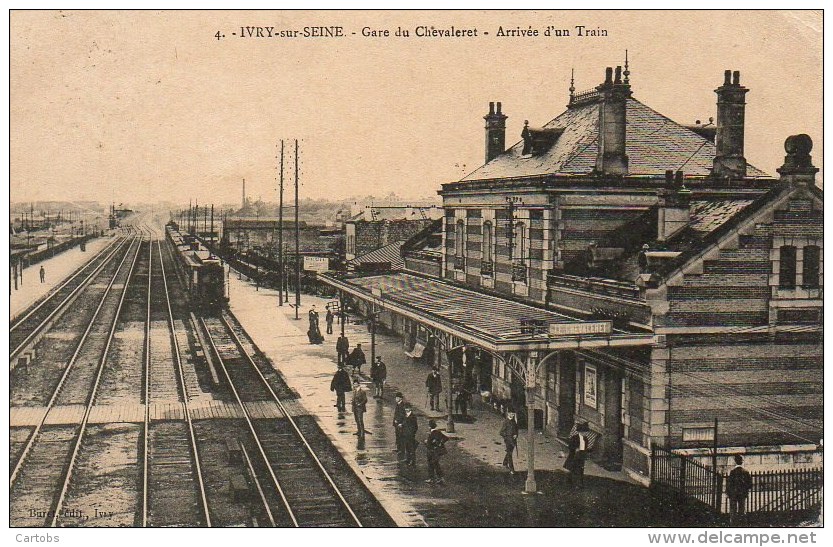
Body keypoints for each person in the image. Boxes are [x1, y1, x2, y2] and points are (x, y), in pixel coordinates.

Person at [726, 455, 753, 525]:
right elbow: (750, 484)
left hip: (733, 494)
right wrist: (745, 489)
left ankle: (733, 524)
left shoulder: (732, 472)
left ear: (735, 461)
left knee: (733, 510)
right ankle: (742, 524)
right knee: (742, 509)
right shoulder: (746, 472)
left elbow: (729, 483)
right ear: (742, 461)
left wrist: (728, 493)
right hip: (742, 494)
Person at [564, 422, 589, 488]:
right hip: (574, 455)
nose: (586, 433)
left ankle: (579, 484)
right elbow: (570, 446)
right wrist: (575, 449)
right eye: (585, 432)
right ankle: (570, 482)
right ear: (581, 432)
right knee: (572, 469)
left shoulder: (586, 439)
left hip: (581, 456)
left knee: (580, 469)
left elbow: (585, 447)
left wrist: (585, 452)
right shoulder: (574, 438)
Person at [425, 419, 449, 484]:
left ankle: (433, 478)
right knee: (435, 464)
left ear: (430, 427)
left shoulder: (433, 433)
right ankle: (439, 478)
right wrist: (440, 443)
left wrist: (436, 443)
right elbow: (446, 438)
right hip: (433, 451)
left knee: (432, 465)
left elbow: (432, 442)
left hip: (433, 451)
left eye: (428, 426)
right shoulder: (437, 432)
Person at [499, 409, 519, 475]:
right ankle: (511, 469)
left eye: (513, 414)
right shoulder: (506, 422)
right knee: (510, 454)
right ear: (508, 414)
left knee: (509, 452)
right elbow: (501, 432)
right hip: (508, 441)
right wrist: (507, 436)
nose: (512, 415)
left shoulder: (514, 422)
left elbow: (516, 430)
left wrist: (516, 435)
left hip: (513, 441)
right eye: (511, 414)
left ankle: (505, 463)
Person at [392, 392, 406, 456]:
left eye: (397, 398)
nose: (396, 399)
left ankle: (401, 450)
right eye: (396, 398)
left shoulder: (402, 405)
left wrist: (398, 421)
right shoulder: (398, 404)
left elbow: (402, 415)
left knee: (401, 437)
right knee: (397, 436)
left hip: (400, 424)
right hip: (397, 423)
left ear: (400, 398)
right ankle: (398, 448)